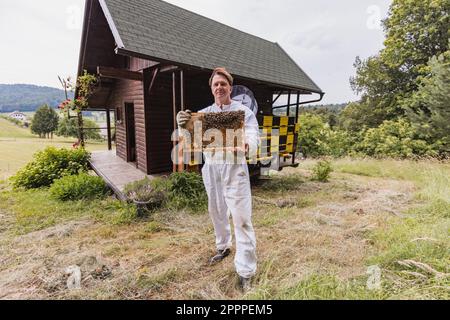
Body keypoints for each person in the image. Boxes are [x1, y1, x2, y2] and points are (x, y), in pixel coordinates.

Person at [176, 67, 259, 291]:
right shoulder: (204, 114)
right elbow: (189, 142)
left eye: (223, 84)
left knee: (241, 218)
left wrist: (248, 143)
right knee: (217, 211)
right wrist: (181, 124)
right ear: (211, 89)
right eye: (216, 84)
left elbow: (252, 136)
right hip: (211, 169)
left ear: (230, 87)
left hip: (234, 169)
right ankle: (223, 247)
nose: (219, 87)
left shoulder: (244, 112)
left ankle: (245, 271)